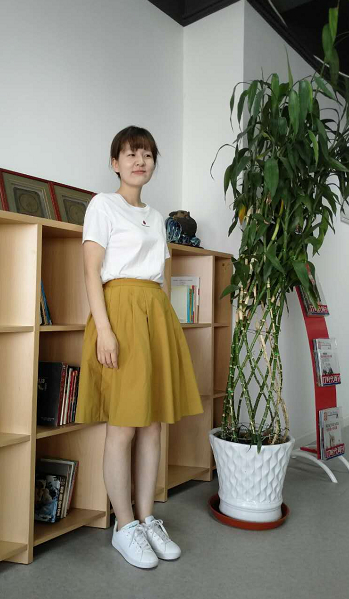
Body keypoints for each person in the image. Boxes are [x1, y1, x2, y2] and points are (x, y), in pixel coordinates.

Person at [75, 125, 203, 569]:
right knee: (124, 426)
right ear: (115, 163)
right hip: (120, 314)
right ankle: (124, 525)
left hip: (155, 315)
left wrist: (166, 326)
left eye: (147, 154)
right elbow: (91, 272)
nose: (139, 161)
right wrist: (105, 330)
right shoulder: (102, 205)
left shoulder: (157, 215)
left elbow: (161, 278)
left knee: (151, 425)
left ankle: (147, 518)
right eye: (131, 154)